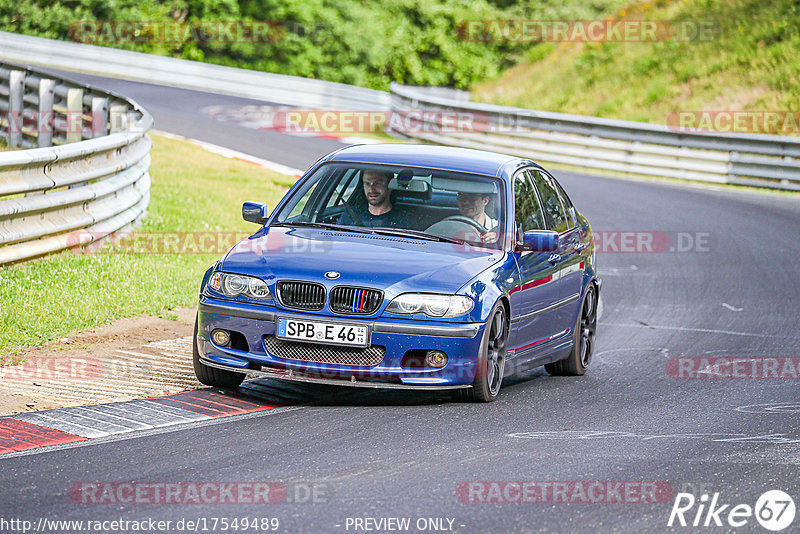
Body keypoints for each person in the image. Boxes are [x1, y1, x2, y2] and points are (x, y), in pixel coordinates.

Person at [337, 169, 408, 228]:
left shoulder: (405, 220)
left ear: (390, 185)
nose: (371, 190)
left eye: (377, 183)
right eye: (367, 183)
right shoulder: (350, 216)